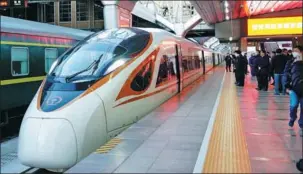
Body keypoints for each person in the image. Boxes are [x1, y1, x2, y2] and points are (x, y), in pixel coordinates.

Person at [284, 45, 303, 128]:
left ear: (301, 52)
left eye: (296, 50)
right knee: (294, 105)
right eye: (293, 50)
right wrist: (287, 86)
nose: (294, 52)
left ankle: (301, 122)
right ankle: (292, 117)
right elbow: (286, 74)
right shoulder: (290, 62)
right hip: (293, 88)